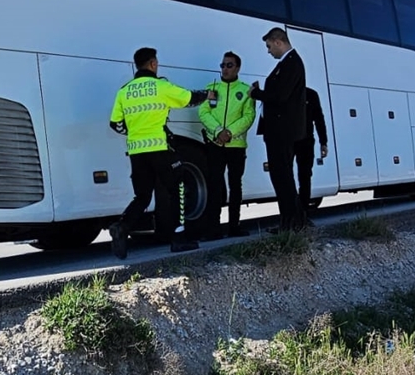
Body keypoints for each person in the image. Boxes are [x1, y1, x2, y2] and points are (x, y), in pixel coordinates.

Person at [108, 47, 212, 259]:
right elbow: (188, 98)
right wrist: (206, 95)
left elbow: (115, 124)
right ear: (153, 64)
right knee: (178, 189)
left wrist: (134, 131)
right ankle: (178, 239)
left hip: (136, 151)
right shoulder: (160, 86)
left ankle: (122, 227)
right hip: (160, 148)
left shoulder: (124, 91)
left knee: (143, 196)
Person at [248, 27, 308, 233]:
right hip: (279, 130)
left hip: (283, 131)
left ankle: (291, 223)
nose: (268, 51)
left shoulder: (292, 63)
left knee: (283, 177)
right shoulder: (288, 63)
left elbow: (281, 96)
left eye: (268, 46)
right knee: (282, 176)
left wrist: (256, 93)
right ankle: (293, 221)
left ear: (278, 41)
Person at [198, 51, 256, 239]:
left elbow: (249, 116)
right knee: (214, 186)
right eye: (222, 65)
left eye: (229, 65)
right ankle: (213, 229)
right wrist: (218, 132)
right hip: (215, 145)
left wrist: (229, 132)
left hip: (236, 146)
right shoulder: (212, 88)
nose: (224, 69)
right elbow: (203, 112)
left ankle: (234, 227)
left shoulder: (246, 91)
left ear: (238, 67)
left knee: (235, 187)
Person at [295, 87, 329, 216]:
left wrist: (323, 142)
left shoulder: (311, 94)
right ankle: (293, 210)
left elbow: (319, 119)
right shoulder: (286, 91)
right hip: (288, 141)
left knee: (305, 176)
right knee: (288, 176)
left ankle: (303, 210)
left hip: (306, 140)